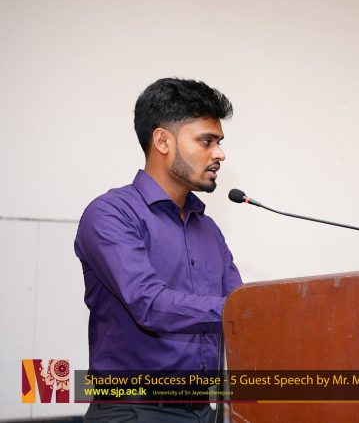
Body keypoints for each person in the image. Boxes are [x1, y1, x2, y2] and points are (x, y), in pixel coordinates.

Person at [74, 78, 243, 422]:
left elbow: (240, 309)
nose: (219, 154)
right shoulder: (111, 214)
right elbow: (149, 304)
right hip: (134, 410)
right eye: (206, 141)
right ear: (163, 141)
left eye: (219, 142)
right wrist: (245, 309)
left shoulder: (208, 229)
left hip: (204, 410)